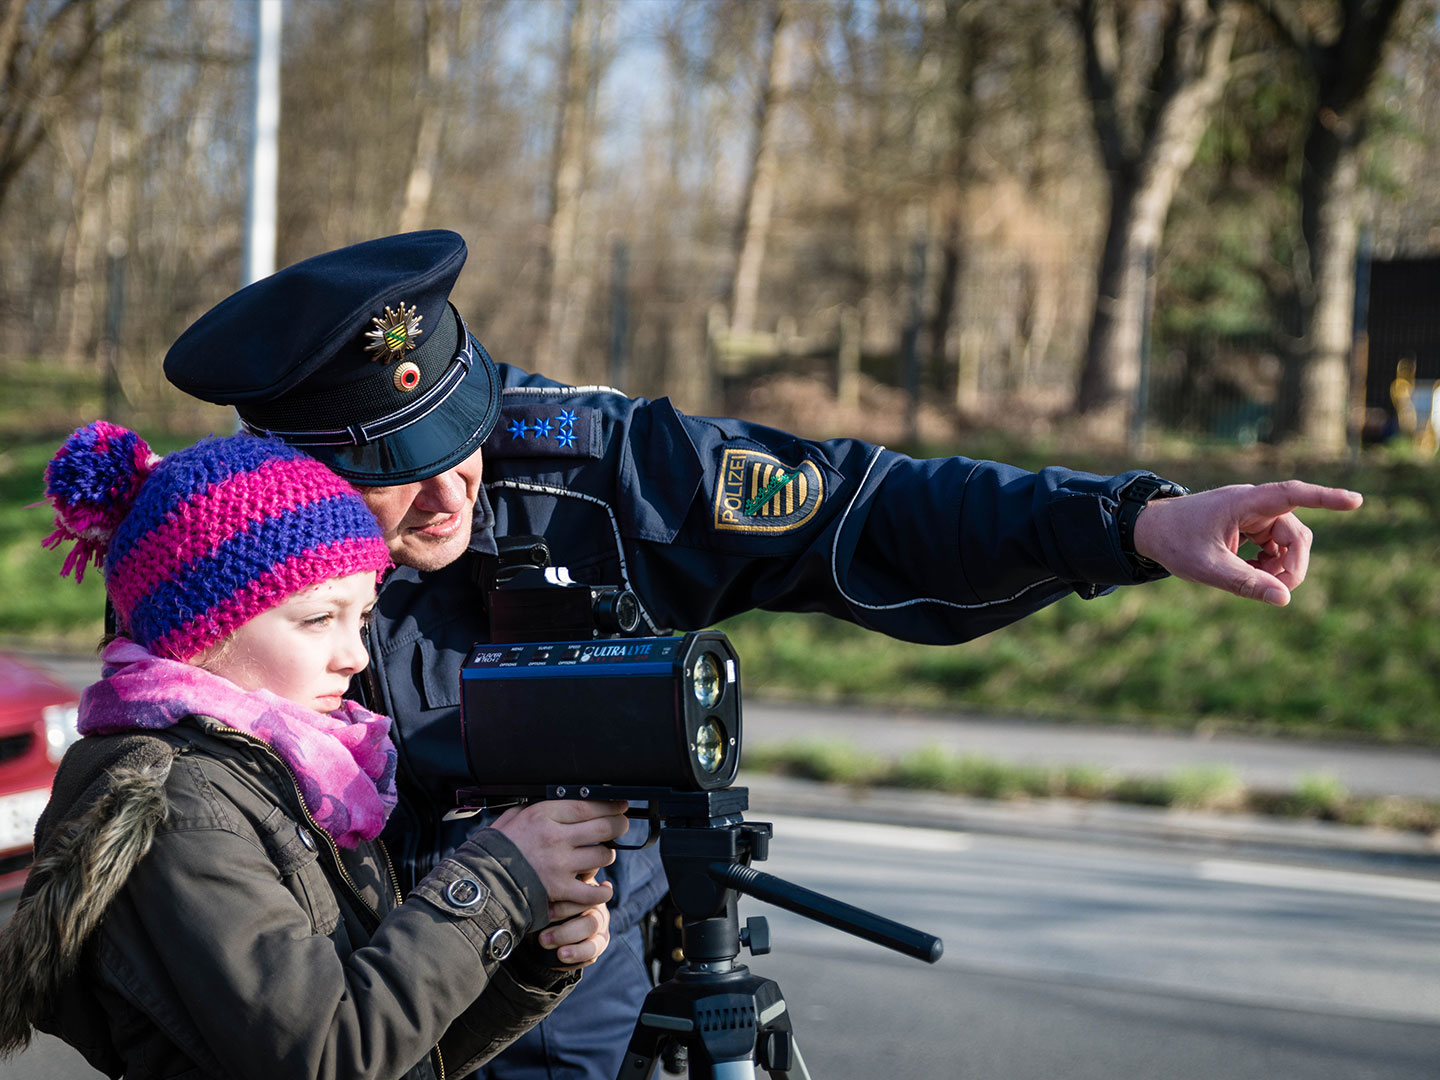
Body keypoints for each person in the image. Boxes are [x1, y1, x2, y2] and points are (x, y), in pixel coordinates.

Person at [159, 229, 1364, 1080]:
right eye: (389, 473)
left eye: (459, 433)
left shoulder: (591, 469)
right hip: (337, 1022)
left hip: (577, 1012)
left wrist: (1132, 525)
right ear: (290, 478)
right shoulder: (213, 561)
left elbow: (862, 507)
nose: (445, 492)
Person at [0, 423, 629, 1080]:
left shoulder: (293, 773)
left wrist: (528, 957)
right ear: (202, 628)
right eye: (318, 619)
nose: (354, 656)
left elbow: (399, 1056)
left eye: (360, 619)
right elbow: (328, 1053)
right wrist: (498, 880)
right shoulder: (183, 808)